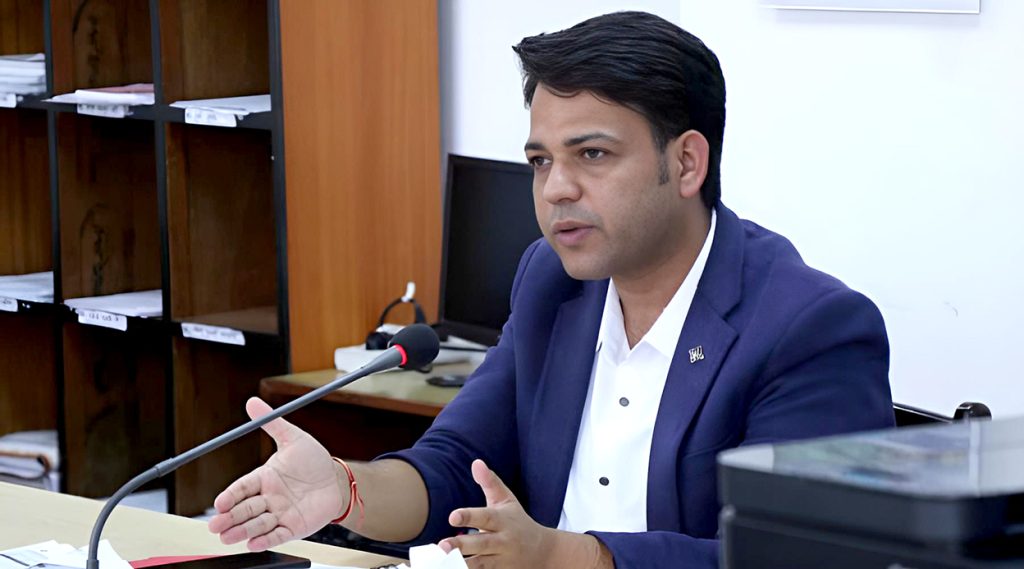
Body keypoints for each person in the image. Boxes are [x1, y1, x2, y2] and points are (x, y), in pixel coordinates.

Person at [208, 11, 894, 569]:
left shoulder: (809, 329)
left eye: (592, 154)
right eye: (541, 161)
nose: (555, 188)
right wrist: (346, 489)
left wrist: (572, 557)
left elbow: (802, 559)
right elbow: (456, 464)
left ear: (686, 162)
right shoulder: (554, 283)